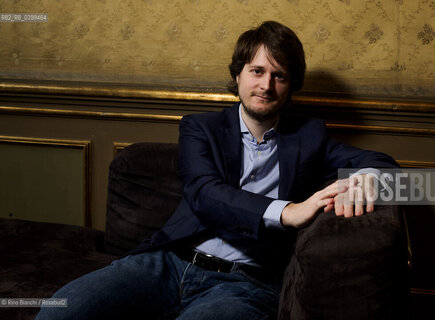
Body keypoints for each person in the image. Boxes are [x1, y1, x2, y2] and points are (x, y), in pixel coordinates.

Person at [36, 21, 398, 320]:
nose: (266, 85)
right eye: (257, 71)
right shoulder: (200, 128)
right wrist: (288, 212)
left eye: (279, 76)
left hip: (246, 283)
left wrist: (364, 177)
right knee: (58, 313)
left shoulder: (309, 136)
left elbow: (385, 165)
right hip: (167, 263)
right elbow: (204, 194)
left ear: (290, 87)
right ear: (238, 75)